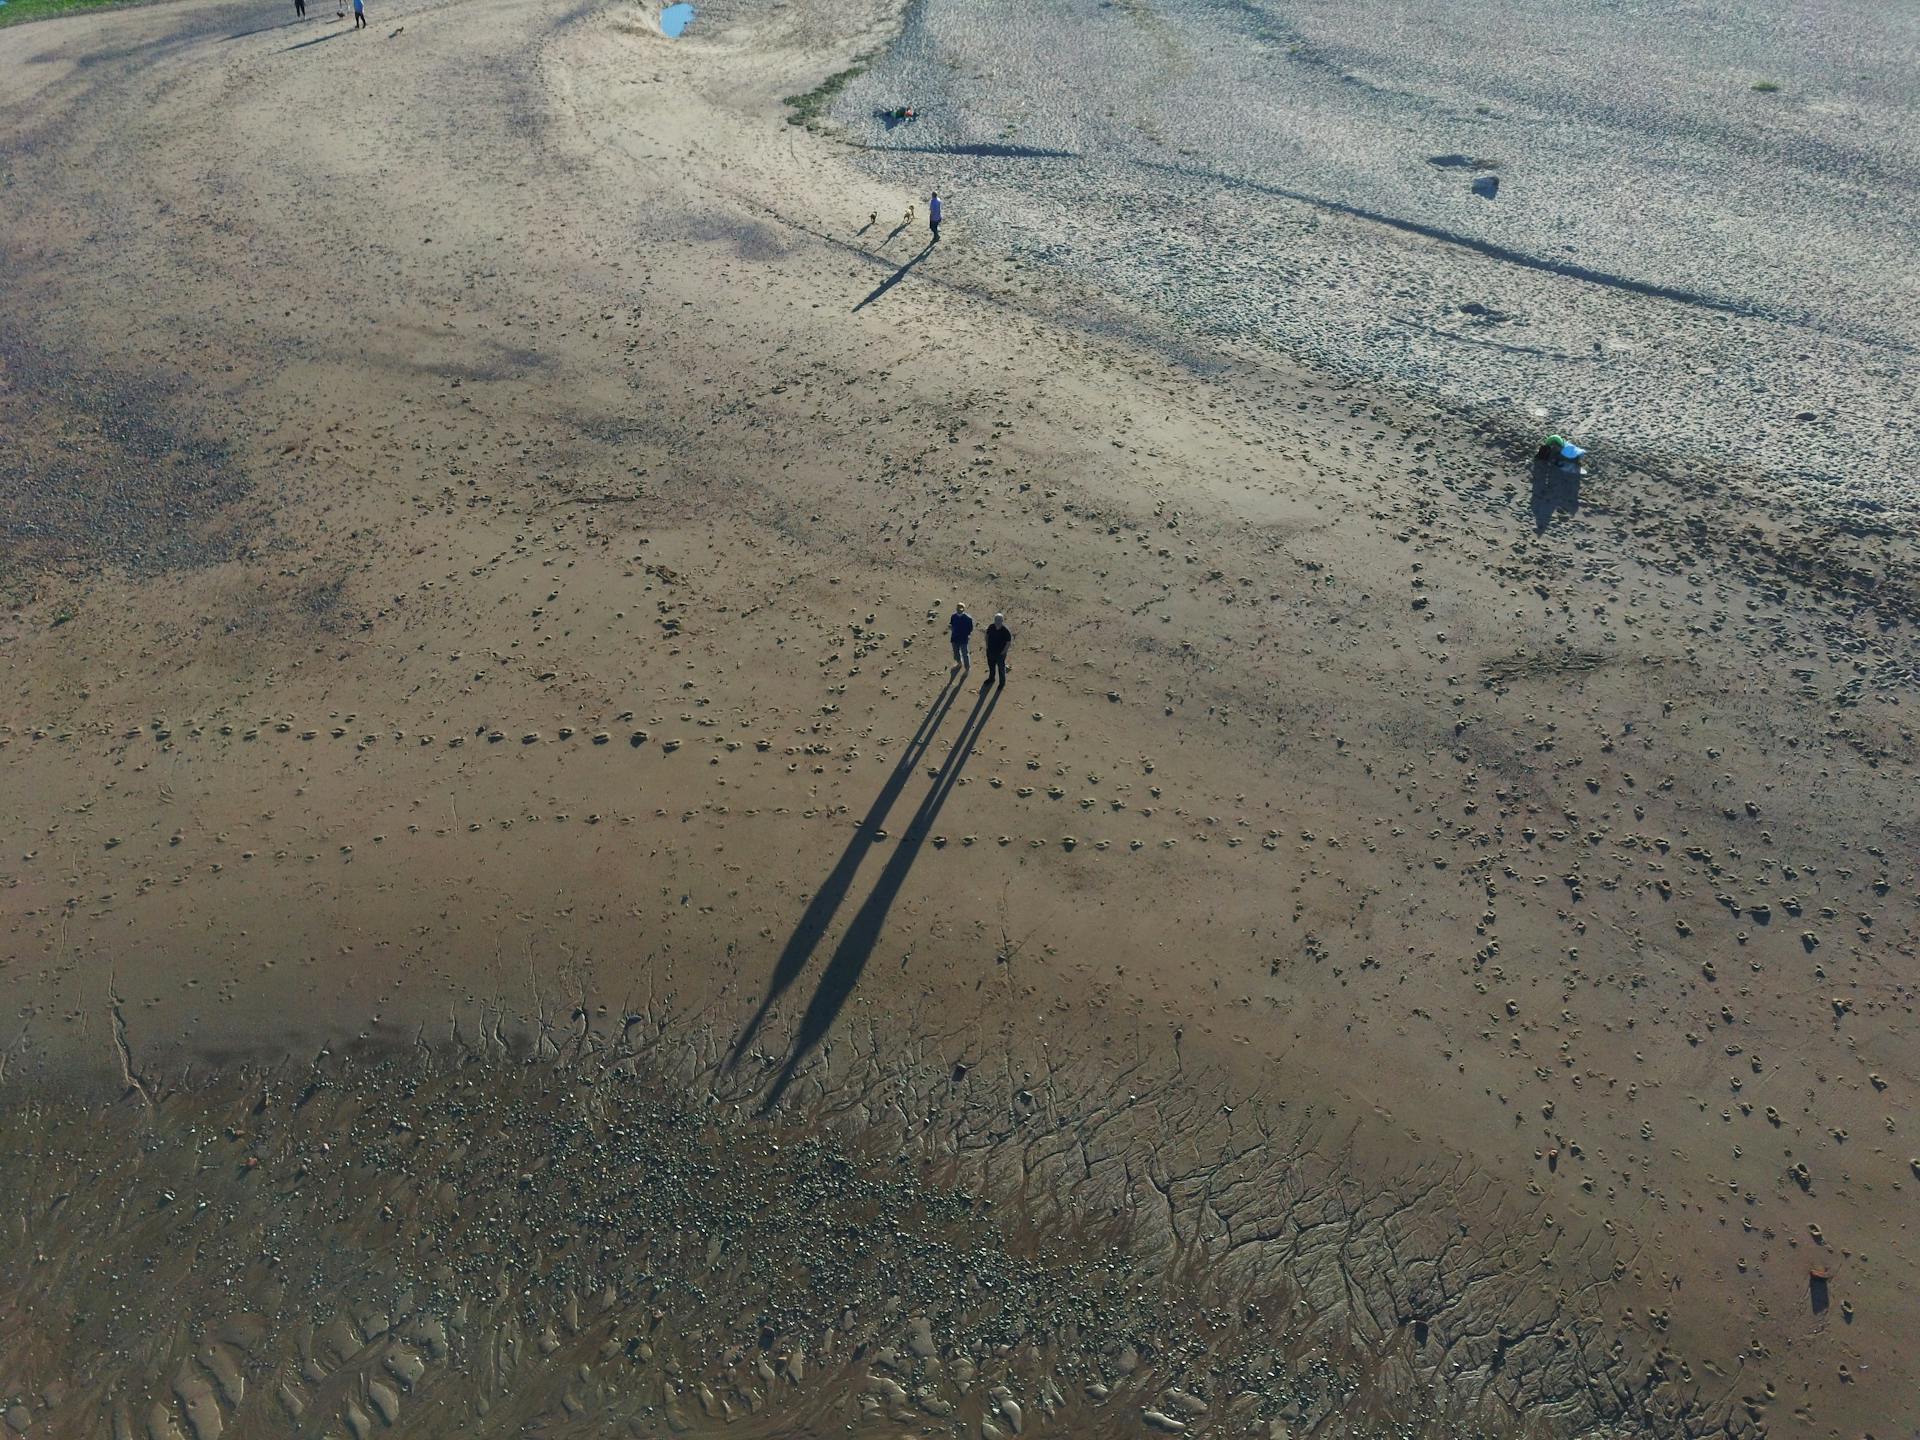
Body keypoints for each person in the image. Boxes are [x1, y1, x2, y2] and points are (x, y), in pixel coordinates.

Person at [984, 612, 1012, 688]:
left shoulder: (1005, 631)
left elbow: (1008, 642)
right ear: (994, 620)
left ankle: (1002, 683)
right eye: (996, 620)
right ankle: (991, 679)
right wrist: (987, 646)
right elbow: (987, 635)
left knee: (1001, 669)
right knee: (991, 666)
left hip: (1000, 654)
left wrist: (1003, 652)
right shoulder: (991, 627)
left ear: (1002, 621)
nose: (998, 621)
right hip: (990, 652)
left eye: (999, 620)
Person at [948, 603, 973, 670]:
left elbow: (970, 629)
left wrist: (967, 635)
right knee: (956, 653)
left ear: (963, 609)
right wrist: (950, 627)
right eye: (958, 608)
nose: (959, 610)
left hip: (963, 639)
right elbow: (951, 624)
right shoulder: (953, 616)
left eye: (961, 608)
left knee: (965, 654)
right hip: (954, 638)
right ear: (956, 609)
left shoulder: (968, 618)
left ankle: (967, 668)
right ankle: (959, 663)